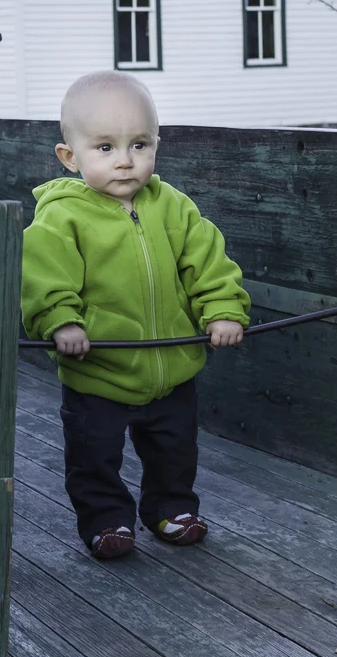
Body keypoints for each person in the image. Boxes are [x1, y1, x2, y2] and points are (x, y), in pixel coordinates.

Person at [20, 71, 250, 559]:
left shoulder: (174, 208)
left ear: (156, 146)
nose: (125, 160)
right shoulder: (62, 217)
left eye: (139, 145)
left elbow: (208, 264)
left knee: (175, 448)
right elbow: (44, 277)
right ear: (70, 157)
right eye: (105, 147)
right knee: (94, 454)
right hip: (98, 370)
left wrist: (223, 311)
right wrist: (62, 321)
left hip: (171, 367)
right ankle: (106, 519)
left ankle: (170, 508)